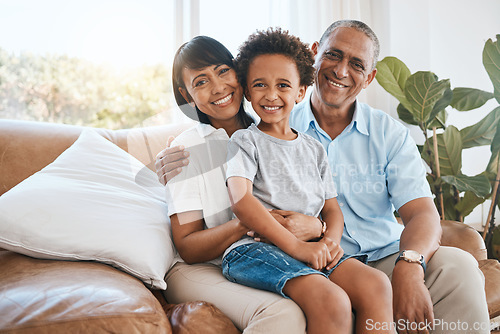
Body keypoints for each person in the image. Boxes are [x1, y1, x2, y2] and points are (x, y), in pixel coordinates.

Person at [157, 20, 490, 334]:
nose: (341, 70)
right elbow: (235, 182)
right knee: (329, 298)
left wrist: (409, 265)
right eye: (333, 54)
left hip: (371, 253)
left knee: (459, 265)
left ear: (370, 77)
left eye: (357, 64)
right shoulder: (266, 123)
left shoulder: (385, 133)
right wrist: (169, 155)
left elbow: (419, 213)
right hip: (298, 253)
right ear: (315, 55)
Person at [223, 28, 393, 334]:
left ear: (301, 91)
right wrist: (298, 248)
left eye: (283, 85)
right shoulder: (244, 141)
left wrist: (329, 243)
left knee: (376, 284)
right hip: (254, 249)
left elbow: (332, 209)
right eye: (260, 85)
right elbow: (241, 201)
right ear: (247, 92)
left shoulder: (313, 148)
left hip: (310, 244)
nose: (271, 95)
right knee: (332, 300)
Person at [161, 34, 320, 334]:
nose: (218, 87)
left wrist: (316, 227)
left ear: (241, 73)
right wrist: (249, 222)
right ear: (187, 95)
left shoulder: (272, 132)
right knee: (283, 313)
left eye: (223, 71)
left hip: (265, 258)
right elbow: (189, 246)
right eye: (201, 82)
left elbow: (309, 202)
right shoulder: (186, 151)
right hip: (202, 268)